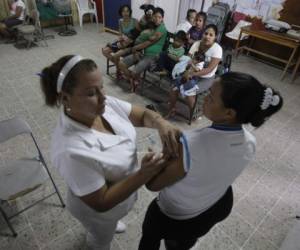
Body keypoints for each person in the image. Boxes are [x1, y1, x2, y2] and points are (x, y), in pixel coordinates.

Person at [39, 55, 181, 250]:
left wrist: (161, 123)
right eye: (91, 93)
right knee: (100, 239)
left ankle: (111, 223)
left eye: (101, 87)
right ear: (65, 98)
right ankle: (100, 235)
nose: (103, 97)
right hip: (96, 210)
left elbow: (141, 115)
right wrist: (144, 173)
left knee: (113, 219)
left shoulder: (103, 105)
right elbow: (101, 202)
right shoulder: (70, 150)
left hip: (121, 195)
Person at [138, 72, 283, 250]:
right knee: (184, 241)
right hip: (216, 206)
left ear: (229, 113)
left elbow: (153, 185)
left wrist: (157, 162)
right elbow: (213, 167)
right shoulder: (250, 142)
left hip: (177, 213)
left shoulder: (192, 143)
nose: (204, 98)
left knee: (150, 236)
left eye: (211, 97)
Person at [167, 24, 223, 119]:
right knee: (174, 88)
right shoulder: (196, 44)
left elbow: (209, 69)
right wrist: (187, 71)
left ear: (215, 37)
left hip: (207, 78)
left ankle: (194, 112)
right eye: (206, 33)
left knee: (189, 91)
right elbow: (188, 60)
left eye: (211, 35)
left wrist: (192, 73)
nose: (207, 36)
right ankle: (171, 110)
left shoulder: (217, 49)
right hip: (191, 72)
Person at [118, 7, 167, 92]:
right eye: (155, 16)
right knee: (121, 63)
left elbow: (149, 42)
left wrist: (135, 48)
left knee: (134, 72)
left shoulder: (162, 29)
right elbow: (140, 33)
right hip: (141, 52)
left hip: (151, 56)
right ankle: (133, 80)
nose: (157, 19)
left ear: (162, 18)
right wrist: (136, 49)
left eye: (159, 17)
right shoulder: (151, 25)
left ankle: (134, 79)